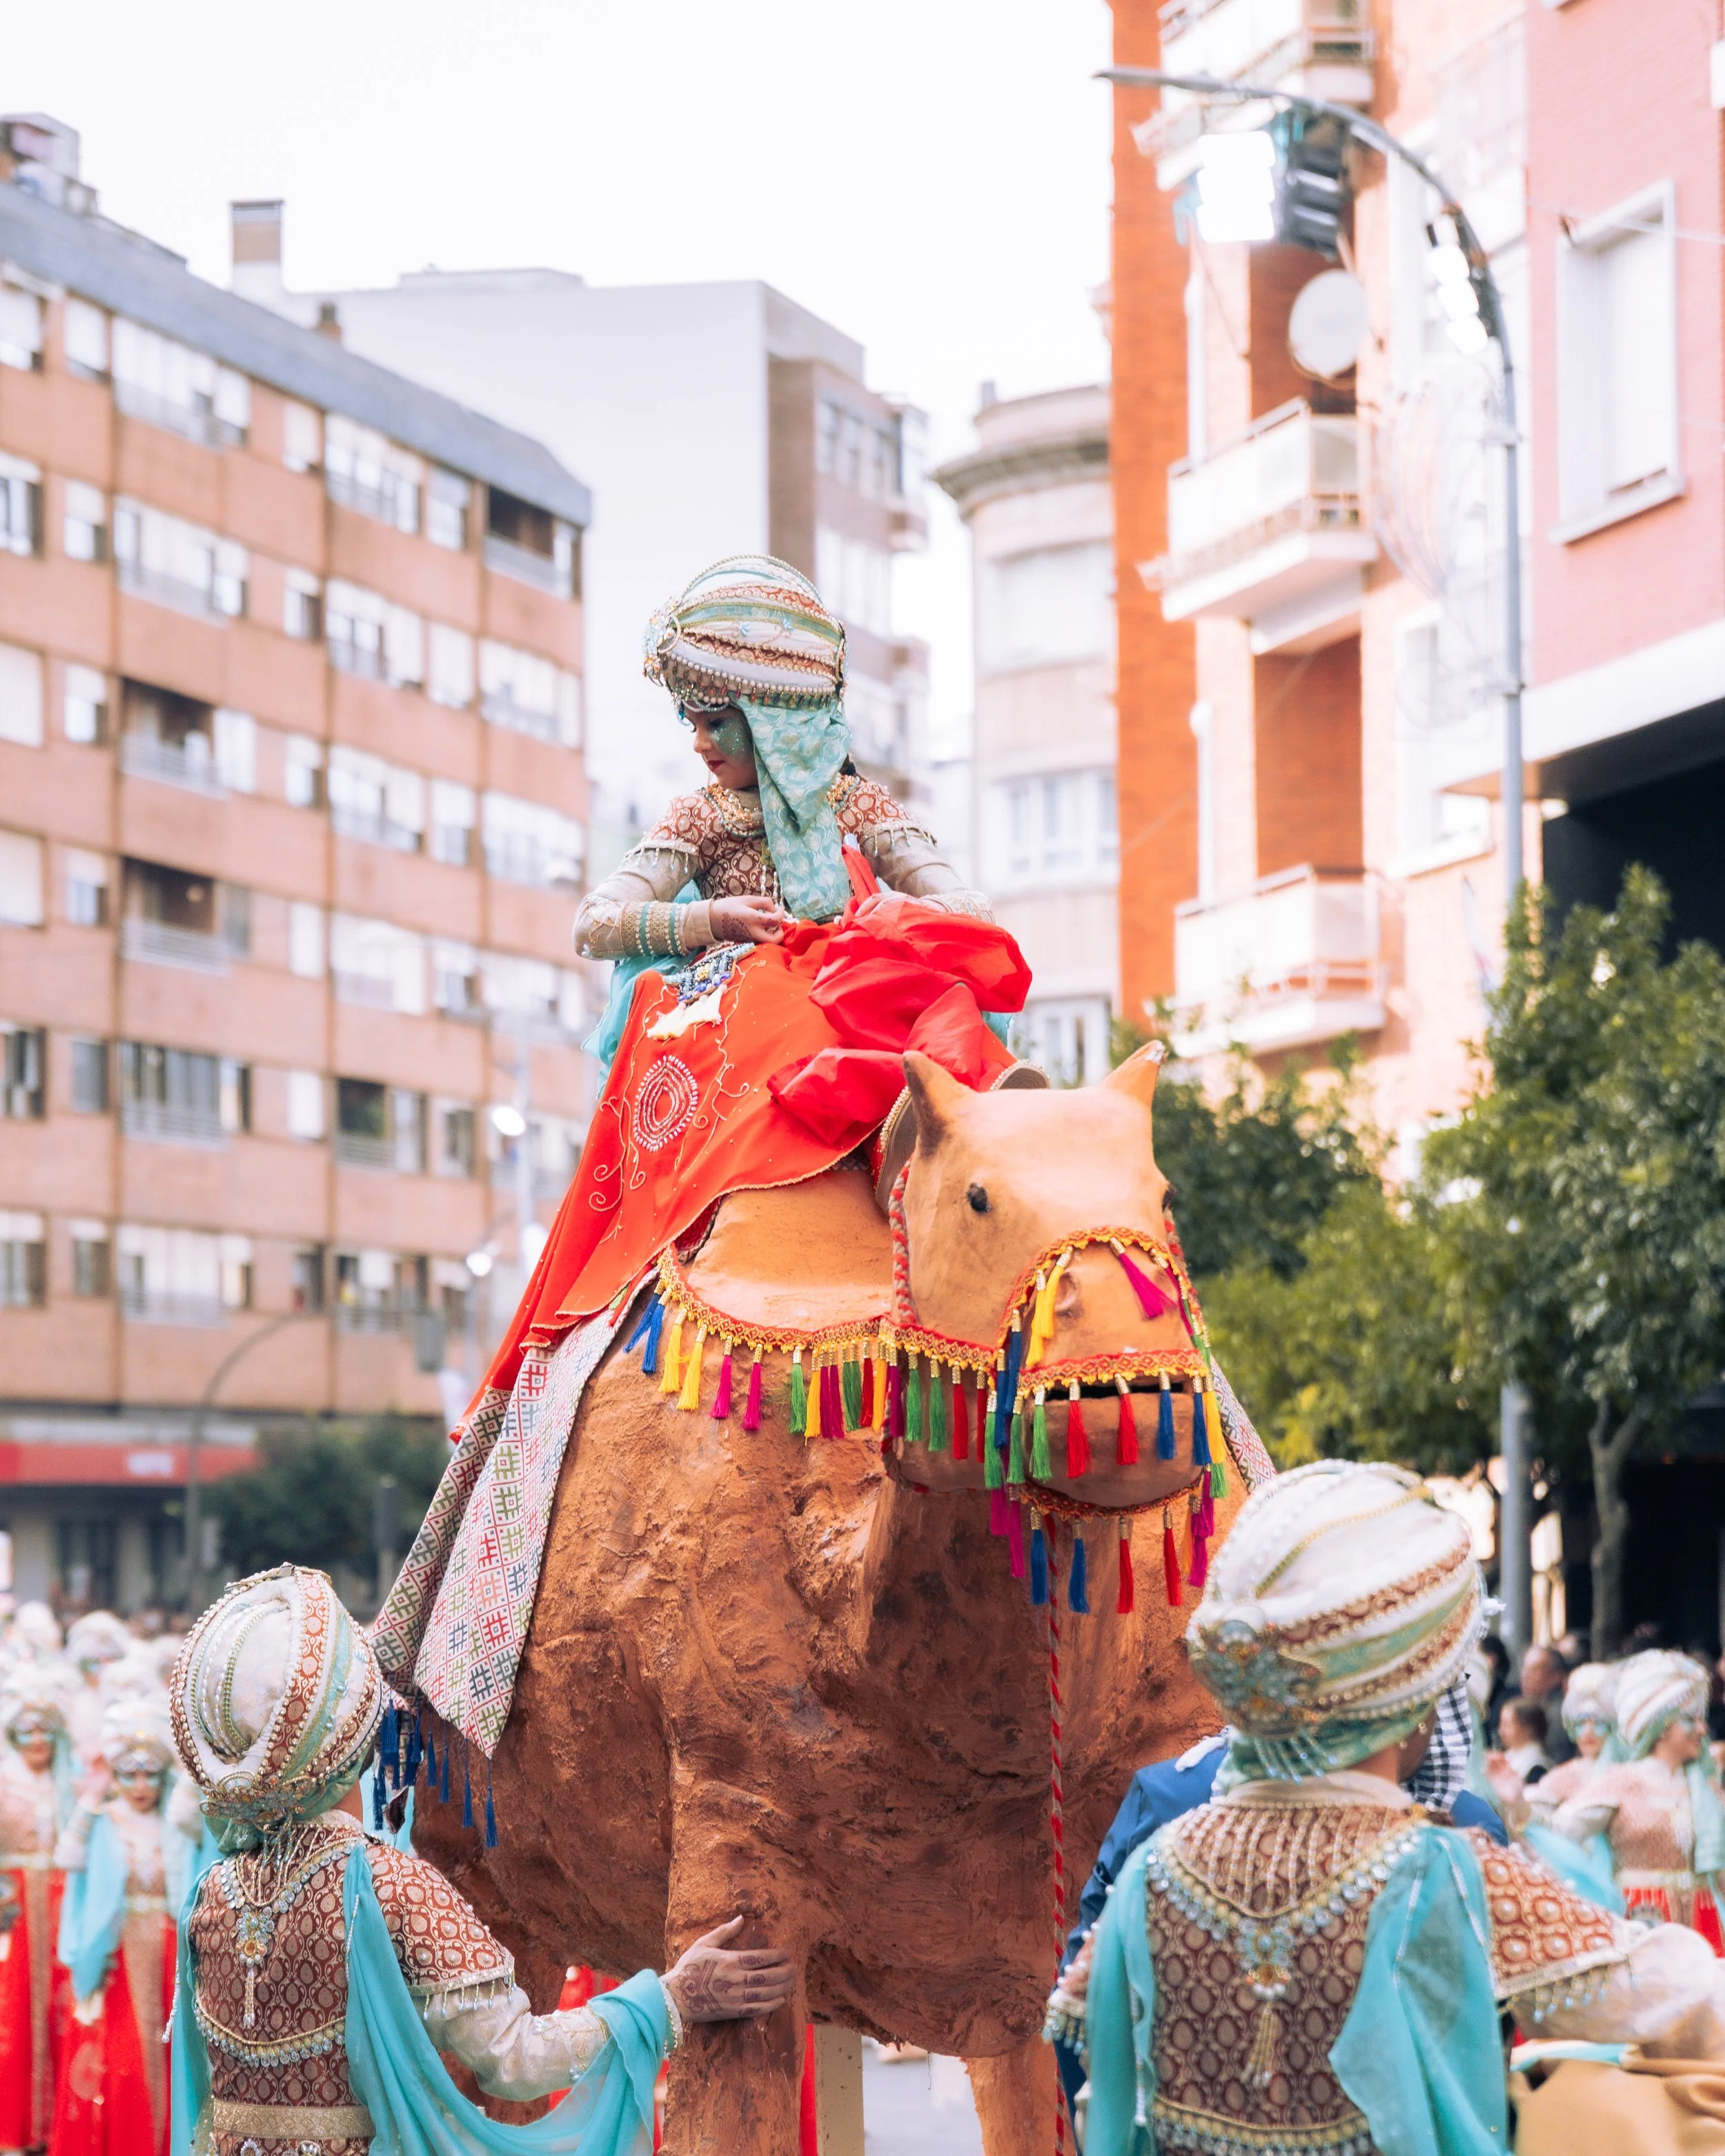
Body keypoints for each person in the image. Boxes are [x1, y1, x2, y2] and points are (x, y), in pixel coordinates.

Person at [467, 555, 1029, 1416]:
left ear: (774, 719)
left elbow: (958, 892)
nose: (697, 741)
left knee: (917, 999)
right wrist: (711, 921)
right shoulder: (698, 816)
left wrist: (906, 916)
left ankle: (944, 1134)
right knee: (791, 1012)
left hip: (853, 972)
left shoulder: (857, 805)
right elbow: (594, 921)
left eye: (715, 719)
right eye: (691, 718)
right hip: (746, 983)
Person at [1054, 1462, 1725, 2156]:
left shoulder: (1155, 1873)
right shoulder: (1441, 1871)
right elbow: (1677, 1991)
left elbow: (1094, 2071)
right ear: (1405, 1704)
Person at [170, 1563, 797, 2155]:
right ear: (360, 1742)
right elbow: (515, 2058)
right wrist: (670, 1999)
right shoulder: (388, 1886)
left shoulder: (210, 1895)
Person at [53, 1698, 190, 2156]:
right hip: (117, 1949)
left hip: (169, 1951)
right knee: (123, 2057)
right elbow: (67, 1859)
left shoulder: (174, 1823)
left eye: (149, 1773)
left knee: (169, 2053)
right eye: (128, 1773)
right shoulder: (105, 1819)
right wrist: (91, 1797)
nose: (139, 1785)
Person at [1551, 1648, 1724, 1948]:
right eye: (1691, 1720)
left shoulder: (1706, 1788)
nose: (1702, 1729)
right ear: (1662, 1726)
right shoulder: (1622, 1780)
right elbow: (1561, 1832)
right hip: (1642, 1923)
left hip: (1704, 1921)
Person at [0, 1675, 71, 2154]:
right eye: (29, 1729)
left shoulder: (72, 1783)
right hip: (14, 1904)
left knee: (58, 2007)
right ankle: (14, 2122)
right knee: (12, 2007)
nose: (39, 1739)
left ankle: (53, 2126)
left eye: (47, 1729)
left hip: (63, 1904)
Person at [1495, 1696, 1552, 1784]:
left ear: (1528, 1728)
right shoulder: (1508, 1757)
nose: (1501, 1731)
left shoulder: (1536, 1767)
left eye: (1507, 1725)